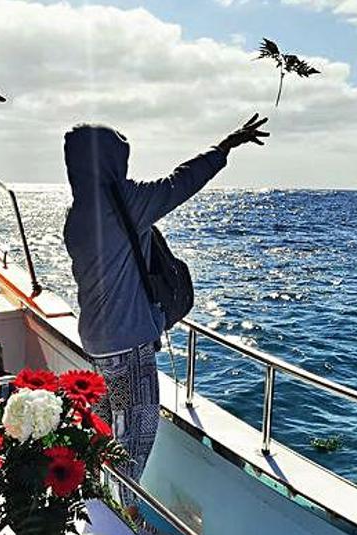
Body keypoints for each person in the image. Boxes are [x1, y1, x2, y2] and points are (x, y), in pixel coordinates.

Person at [62, 115, 269, 506]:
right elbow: (181, 182)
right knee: (136, 435)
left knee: (106, 426)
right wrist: (224, 147)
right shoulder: (125, 202)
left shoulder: (76, 214)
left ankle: (90, 498)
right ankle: (124, 519)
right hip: (128, 347)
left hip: (97, 342)